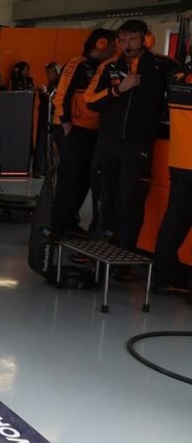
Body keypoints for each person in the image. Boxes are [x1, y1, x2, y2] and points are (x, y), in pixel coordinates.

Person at [84, 19, 169, 267]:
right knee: (104, 199)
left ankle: (123, 260)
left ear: (146, 38)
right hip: (108, 144)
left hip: (138, 145)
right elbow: (90, 100)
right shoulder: (109, 66)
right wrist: (118, 89)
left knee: (130, 201)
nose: (127, 44)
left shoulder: (162, 66)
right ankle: (100, 253)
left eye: (132, 38)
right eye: (122, 40)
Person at [51, 30, 114, 237]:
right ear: (101, 44)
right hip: (71, 128)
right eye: (113, 46)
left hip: (90, 130)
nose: (115, 50)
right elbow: (61, 94)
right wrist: (65, 122)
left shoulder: (102, 68)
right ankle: (58, 226)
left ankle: (69, 221)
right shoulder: (76, 64)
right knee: (70, 177)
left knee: (84, 178)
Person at [154, 65, 192, 294]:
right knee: (177, 220)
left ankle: (163, 275)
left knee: (175, 220)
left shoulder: (176, 76)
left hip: (178, 159)